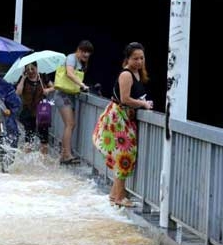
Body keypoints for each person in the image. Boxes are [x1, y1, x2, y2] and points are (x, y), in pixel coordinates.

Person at [92, 42, 153, 208]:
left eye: (142, 58)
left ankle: (114, 195)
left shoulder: (138, 73)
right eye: (135, 58)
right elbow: (125, 99)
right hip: (118, 118)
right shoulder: (126, 74)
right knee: (123, 156)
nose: (139, 61)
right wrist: (143, 104)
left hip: (126, 118)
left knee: (125, 155)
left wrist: (142, 103)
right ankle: (120, 197)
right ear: (127, 59)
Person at [54, 40, 94, 164]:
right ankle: (66, 154)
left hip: (69, 95)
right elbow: (70, 73)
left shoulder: (81, 62)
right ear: (78, 50)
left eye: (88, 52)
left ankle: (64, 154)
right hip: (62, 95)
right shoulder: (71, 58)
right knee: (70, 124)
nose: (86, 54)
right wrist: (82, 85)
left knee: (70, 125)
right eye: (83, 51)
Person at [16, 62, 55, 154]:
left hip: (42, 109)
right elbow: (18, 92)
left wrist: (48, 90)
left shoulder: (43, 77)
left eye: (32, 69)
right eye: (28, 69)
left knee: (44, 136)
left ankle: (44, 158)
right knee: (29, 135)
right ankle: (27, 157)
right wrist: (23, 78)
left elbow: (55, 87)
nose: (30, 71)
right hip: (28, 110)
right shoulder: (23, 79)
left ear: (37, 68)